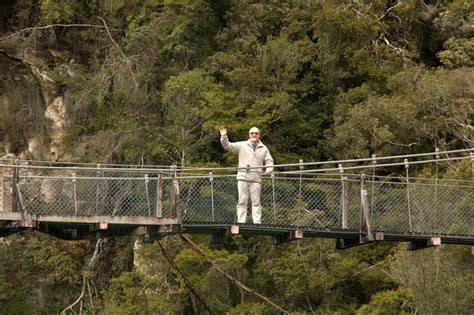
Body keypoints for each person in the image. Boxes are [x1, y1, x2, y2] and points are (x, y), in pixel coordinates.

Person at [219, 125, 274, 224]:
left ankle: (257, 222)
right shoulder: (242, 145)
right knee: (242, 201)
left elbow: (269, 160)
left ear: (259, 135)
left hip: (256, 178)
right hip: (243, 177)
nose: (254, 135)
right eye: (252, 133)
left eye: (256, 133)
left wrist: (268, 170)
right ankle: (241, 222)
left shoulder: (264, 148)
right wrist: (224, 136)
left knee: (256, 202)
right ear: (249, 134)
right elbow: (228, 146)